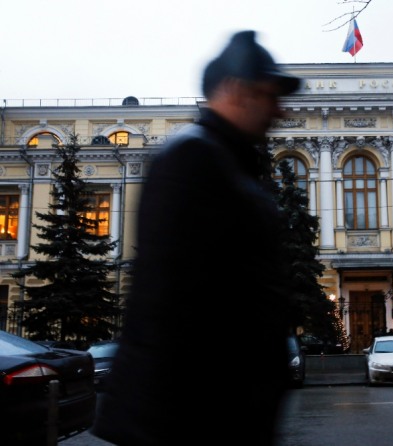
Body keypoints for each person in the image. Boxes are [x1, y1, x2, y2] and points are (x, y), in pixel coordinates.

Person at [92, 30, 301, 445]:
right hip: (193, 422)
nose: (278, 110)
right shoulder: (192, 158)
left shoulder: (231, 163)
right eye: (268, 94)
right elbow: (172, 308)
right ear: (236, 91)